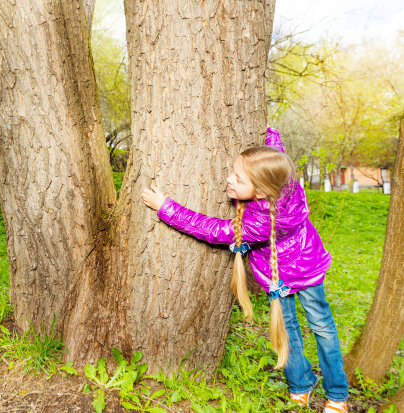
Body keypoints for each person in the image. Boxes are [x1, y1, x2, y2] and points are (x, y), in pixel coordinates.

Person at [141, 128, 348, 413]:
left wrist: (167, 207)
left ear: (262, 190)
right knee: (286, 328)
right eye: (233, 172)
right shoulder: (281, 177)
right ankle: (301, 383)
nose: (229, 179)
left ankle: (337, 393)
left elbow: (215, 230)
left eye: (238, 179)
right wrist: (271, 132)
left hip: (305, 271)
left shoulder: (259, 224)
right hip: (278, 273)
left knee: (322, 328)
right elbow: (276, 155)